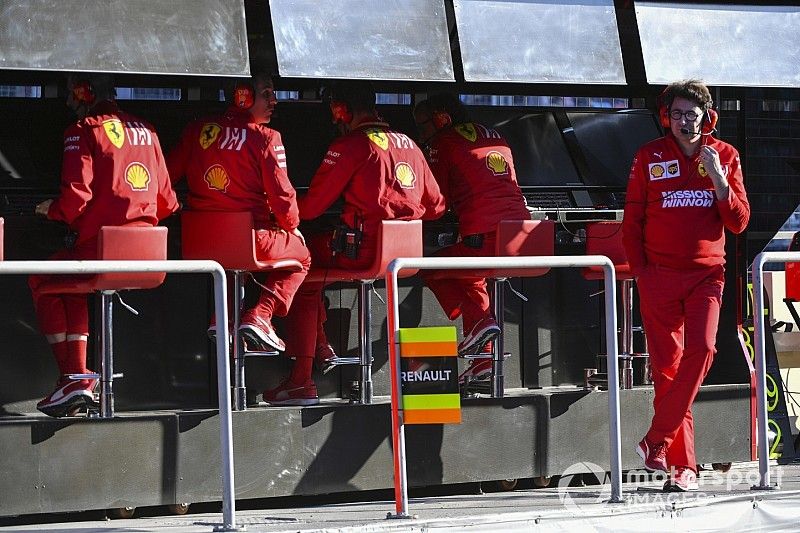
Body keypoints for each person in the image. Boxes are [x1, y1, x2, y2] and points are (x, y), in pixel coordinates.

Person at [271, 81, 446, 406]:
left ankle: (302, 381)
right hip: (406, 257)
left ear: (343, 110)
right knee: (312, 263)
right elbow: (437, 206)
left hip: (362, 253)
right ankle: (320, 345)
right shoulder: (408, 142)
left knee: (300, 264)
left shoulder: (350, 144)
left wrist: (274, 202)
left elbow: (310, 209)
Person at [623, 80, 749, 492]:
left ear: (706, 116)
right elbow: (632, 223)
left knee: (705, 350)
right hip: (657, 277)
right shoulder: (649, 155)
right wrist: (642, 273)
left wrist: (718, 179)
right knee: (667, 375)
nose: (683, 121)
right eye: (676, 114)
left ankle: (656, 438)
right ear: (667, 117)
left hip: (707, 276)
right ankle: (683, 468)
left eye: (691, 114)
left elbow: (739, 222)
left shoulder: (725, 155)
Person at [30, 74, 179, 417]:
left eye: (71, 93)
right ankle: (77, 378)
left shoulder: (82, 129)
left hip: (102, 254)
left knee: (41, 281)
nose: (68, 101)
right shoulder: (148, 130)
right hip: (150, 259)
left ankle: (72, 375)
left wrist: (48, 209)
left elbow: (75, 201)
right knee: (70, 286)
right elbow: (168, 203)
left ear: (87, 93)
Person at [167, 73, 310, 353]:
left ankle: (222, 319)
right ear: (242, 95)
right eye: (266, 93)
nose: (274, 100)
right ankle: (262, 316)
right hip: (250, 242)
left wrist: (176, 206)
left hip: (199, 242)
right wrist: (291, 227)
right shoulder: (266, 138)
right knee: (303, 256)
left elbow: (164, 179)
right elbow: (284, 200)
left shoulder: (197, 130)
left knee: (235, 265)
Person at [413, 93, 530, 385]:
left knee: (429, 267)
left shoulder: (443, 142)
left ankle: (480, 322)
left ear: (441, 119)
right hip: (524, 238)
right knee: (470, 278)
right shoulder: (495, 135)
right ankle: (483, 362)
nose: (422, 134)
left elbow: (437, 201)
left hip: (485, 239)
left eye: (423, 126)